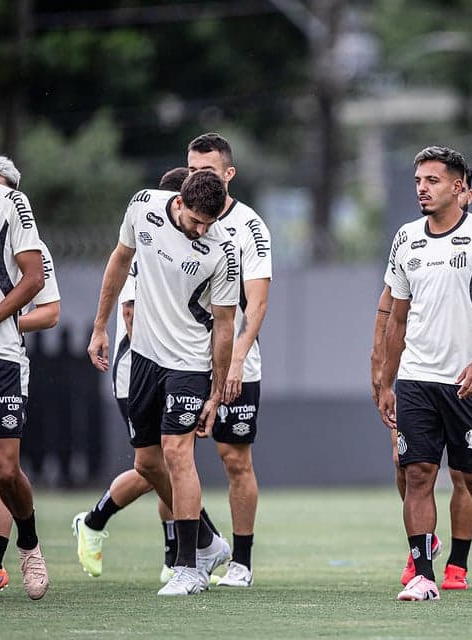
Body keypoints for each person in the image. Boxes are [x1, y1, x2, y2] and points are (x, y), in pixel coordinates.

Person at [371, 166, 472, 591]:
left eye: (433, 181)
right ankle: (423, 574)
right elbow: (397, 316)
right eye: (418, 180)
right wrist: (386, 380)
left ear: (459, 188)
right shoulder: (405, 237)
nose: (422, 188)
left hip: (468, 382)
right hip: (416, 378)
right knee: (417, 473)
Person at [87, 170, 239, 596]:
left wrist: (216, 389)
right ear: (178, 203)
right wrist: (100, 327)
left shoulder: (222, 248)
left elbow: (225, 325)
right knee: (147, 464)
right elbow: (119, 260)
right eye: (195, 221)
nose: (202, 230)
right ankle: (209, 545)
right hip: (145, 360)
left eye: (210, 222)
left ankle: (188, 566)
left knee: (177, 452)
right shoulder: (142, 207)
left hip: (189, 362)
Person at [186, 132, 272, 587]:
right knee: (168, 456)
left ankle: (241, 560)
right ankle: (192, 550)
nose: (198, 178)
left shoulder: (249, 226)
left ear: (229, 174)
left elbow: (256, 304)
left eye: (208, 171)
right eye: (192, 169)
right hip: (179, 357)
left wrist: (235, 360)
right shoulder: (171, 214)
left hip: (234, 358)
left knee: (233, 458)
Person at [0, 156, 49, 601]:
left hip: (2, 356)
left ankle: (28, 543)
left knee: (3, 469)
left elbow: (38, 285)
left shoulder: (12, 204)